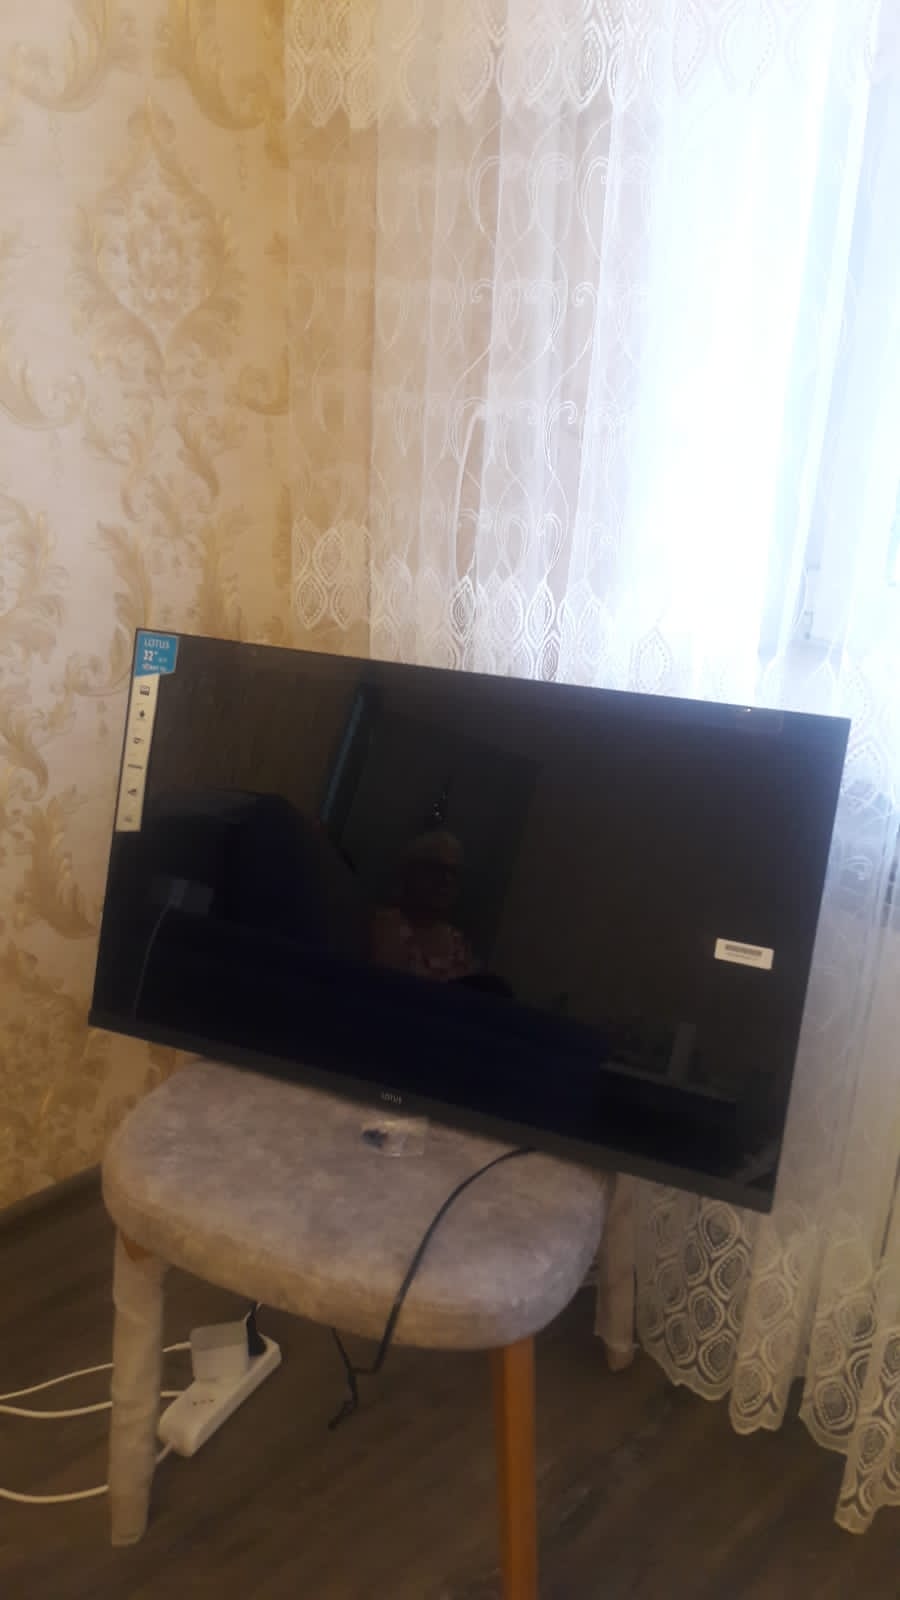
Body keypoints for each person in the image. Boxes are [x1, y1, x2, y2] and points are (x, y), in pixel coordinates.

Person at [373, 829, 475, 981]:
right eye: (436, 869)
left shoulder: (459, 944)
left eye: (453, 873)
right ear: (411, 872)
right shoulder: (386, 926)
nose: (446, 880)